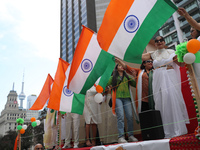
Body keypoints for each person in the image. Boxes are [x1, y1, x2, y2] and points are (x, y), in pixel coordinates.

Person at [142, 36, 189, 138]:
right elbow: (138, 57)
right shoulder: (152, 54)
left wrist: (185, 55)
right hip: (158, 78)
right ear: (155, 44)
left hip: (169, 75)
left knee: (172, 100)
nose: (159, 42)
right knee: (160, 102)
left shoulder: (171, 52)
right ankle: (166, 130)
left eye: (161, 40)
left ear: (164, 42)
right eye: (157, 41)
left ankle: (177, 129)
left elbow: (180, 64)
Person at [106, 64, 138, 143]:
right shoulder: (113, 77)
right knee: (120, 116)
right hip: (117, 98)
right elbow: (105, 83)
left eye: (122, 65)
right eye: (119, 65)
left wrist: (135, 76)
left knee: (130, 116)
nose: (121, 66)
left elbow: (135, 84)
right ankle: (121, 137)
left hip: (127, 98)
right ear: (116, 68)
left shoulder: (127, 77)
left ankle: (130, 135)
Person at [178, 7, 200, 89]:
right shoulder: (195, 42)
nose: (190, 33)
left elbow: (196, 25)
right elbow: (196, 24)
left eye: (192, 31)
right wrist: (186, 15)